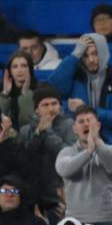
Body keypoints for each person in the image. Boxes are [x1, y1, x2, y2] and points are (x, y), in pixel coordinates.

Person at [55, 105, 112, 225]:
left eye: (89, 120)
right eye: (81, 121)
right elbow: (65, 169)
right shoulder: (67, 152)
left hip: (106, 224)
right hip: (75, 224)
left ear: (98, 125)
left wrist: (97, 145)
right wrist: (88, 152)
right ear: (74, 128)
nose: (86, 124)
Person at [48, 33, 112, 145]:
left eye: (95, 54)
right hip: (77, 143)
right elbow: (53, 87)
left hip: (109, 144)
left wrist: (88, 110)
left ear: (103, 54)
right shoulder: (74, 78)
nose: (91, 59)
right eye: (85, 55)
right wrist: (73, 56)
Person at [17, 84, 75, 216]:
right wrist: (38, 135)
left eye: (54, 103)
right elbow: (23, 162)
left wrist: (47, 132)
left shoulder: (70, 125)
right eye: (45, 105)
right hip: (32, 198)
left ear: (60, 105)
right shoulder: (25, 131)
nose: (51, 108)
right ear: (36, 109)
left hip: (60, 198)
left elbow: (67, 156)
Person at [0, 50, 37, 129]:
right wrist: (5, 95)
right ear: (9, 71)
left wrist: (25, 95)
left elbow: (31, 125)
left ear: (30, 69)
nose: (19, 70)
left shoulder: (41, 90)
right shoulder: (2, 90)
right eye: (15, 66)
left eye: (24, 66)